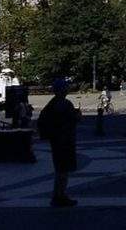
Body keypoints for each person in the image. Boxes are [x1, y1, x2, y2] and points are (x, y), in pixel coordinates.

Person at [38, 78, 80, 207]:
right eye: (65, 87)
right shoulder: (65, 104)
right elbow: (72, 119)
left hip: (56, 140)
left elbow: (42, 120)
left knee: (60, 169)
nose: (67, 89)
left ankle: (58, 195)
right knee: (63, 170)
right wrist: (77, 116)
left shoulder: (51, 104)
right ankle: (60, 195)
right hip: (64, 140)